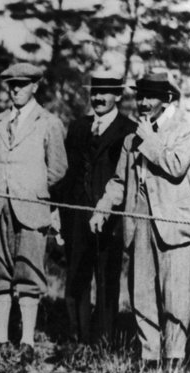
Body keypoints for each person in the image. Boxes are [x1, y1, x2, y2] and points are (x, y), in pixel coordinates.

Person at [90, 71, 190, 367]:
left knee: (175, 295)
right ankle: (149, 357)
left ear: (166, 100)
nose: (142, 102)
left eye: (149, 96)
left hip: (175, 225)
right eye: (139, 96)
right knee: (141, 292)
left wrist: (149, 139)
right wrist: (102, 207)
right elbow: (119, 181)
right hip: (138, 223)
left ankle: (175, 357)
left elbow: (176, 166)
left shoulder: (186, 127)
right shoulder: (130, 139)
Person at [0, 62, 67, 364]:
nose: (15, 89)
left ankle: (27, 338)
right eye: (11, 84)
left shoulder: (49, 122)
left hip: (31, 206)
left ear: (35, 86)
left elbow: (58, 169)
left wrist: (32, 186)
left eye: (22, 83)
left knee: (29, 270)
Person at [57, 68, 136, 343]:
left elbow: (127, 180)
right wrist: (58, 211)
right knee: (76, 278)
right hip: (76, 215)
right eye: (95, 92)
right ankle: (76, 337)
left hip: (110, 218)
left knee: (106, 280)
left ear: (117, 95)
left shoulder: (129, 130)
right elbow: (68, 173)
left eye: (106, 92)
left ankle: (103, 341)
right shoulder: (79, 126)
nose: (99, 97)